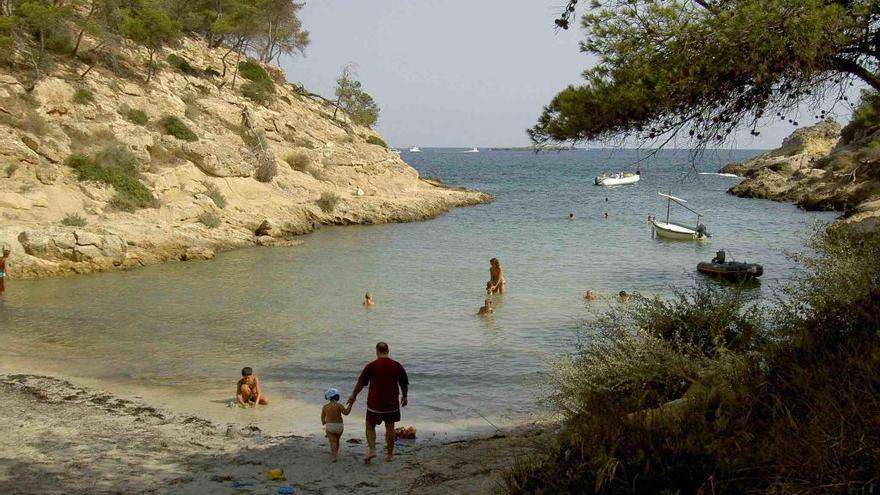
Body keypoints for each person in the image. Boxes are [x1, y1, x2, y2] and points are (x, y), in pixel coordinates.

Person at [347, 342, 409, 463]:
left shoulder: (371, 366)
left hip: (374, 403)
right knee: (390, 427)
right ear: (388, 350)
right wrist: (405, 396)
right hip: (391, 404)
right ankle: (390, 455)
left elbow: (360, 384)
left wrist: (353, 396)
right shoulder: (396, 365)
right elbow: (404, 382)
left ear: (377, 351)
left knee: (370, 426)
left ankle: (372, 450)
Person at [321, 388, 353, 463]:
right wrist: (351, 404)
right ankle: (336, 452)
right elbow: (346, 413)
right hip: (339, 426)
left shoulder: (325, 407)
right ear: (336, 397)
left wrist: (323, 422)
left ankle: (334, 456)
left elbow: (322, 416)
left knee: (333, 442)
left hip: (330, 426)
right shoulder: (339, 405)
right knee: (337, 440)